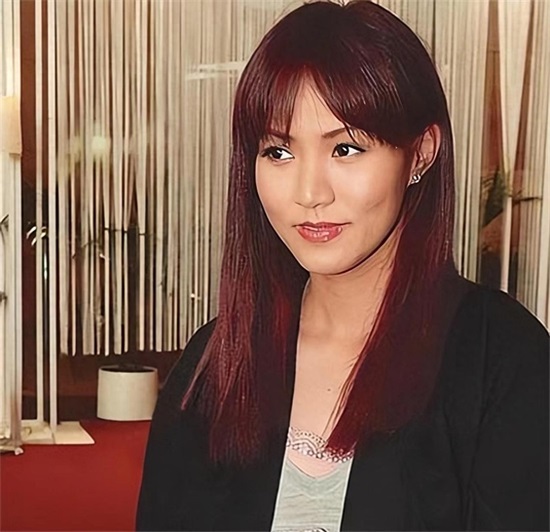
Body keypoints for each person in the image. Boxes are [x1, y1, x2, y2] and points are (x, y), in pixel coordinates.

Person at [136, 1, 549, 530]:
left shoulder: (503, 361)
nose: (310, 193)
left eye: (346, 148)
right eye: (279, 152)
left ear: (421, 153)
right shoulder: (217, 361)